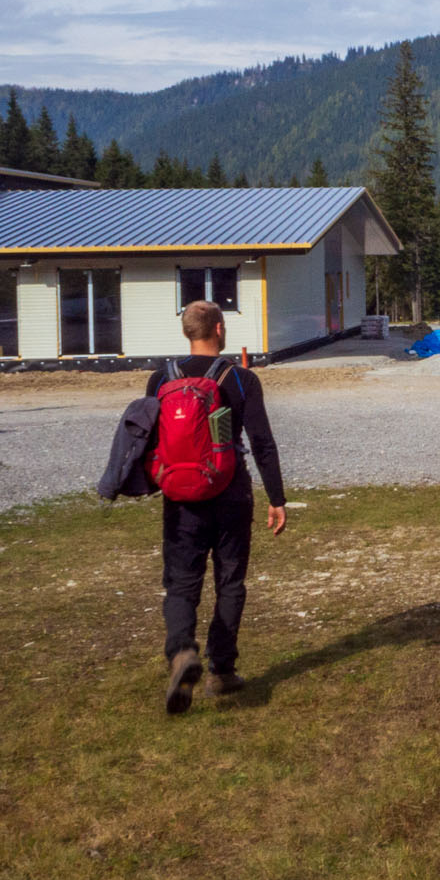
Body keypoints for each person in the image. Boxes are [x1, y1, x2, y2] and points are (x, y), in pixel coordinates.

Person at [147, 301, 287, 713]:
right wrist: (276, 498)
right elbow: (261, 442)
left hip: (180, 498)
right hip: (230, 494)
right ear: (219, 329)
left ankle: (180, 653)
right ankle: (221, 671)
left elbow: (150, 440)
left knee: (181, 583)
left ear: (187, 332)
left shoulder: (160, 379)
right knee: (229, 581)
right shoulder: (240, 379)